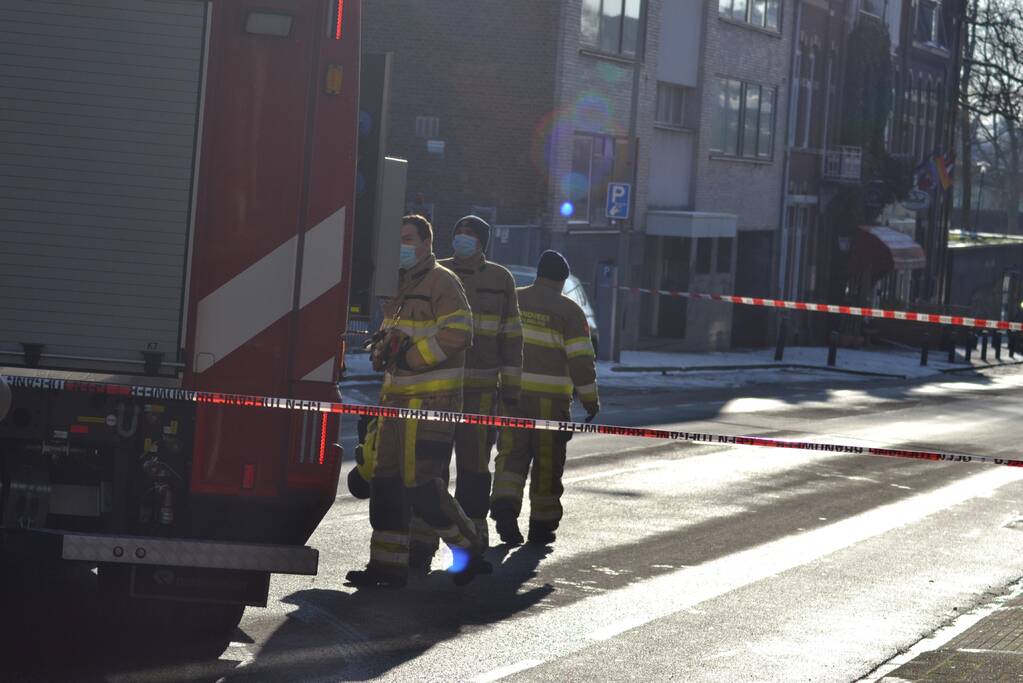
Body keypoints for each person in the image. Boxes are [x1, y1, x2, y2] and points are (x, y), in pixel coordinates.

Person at [346, 215, 489, 587]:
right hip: (396, 402)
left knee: (422, 484)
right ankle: (387, 566)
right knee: (386, 481)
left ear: (427, 243)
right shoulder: (401, 286)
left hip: (431, 403)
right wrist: (382, 350)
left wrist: (412, 356)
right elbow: (390, 337)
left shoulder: (443, 282)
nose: (402, 247)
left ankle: (468, 550)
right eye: (398, 240)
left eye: (408, 239)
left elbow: (459, 333)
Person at [405, 216, 521, 566]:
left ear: (483, 242)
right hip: (438, 389)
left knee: (474, 468)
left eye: (470, 234)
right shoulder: (437, 273)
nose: (462, 238)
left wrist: (511, 390)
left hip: (480, 392)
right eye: (458, 232)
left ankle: (474, 539)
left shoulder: (501, 280)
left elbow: (511, 337)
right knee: (430, 465)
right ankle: (422, 544)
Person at [489, 250, 599, 546]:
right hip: (551, 403)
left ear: (538, 273)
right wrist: (590, 401)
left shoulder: (514, 299)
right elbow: (581, 361)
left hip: (513, 395)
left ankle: (504, 507)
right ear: (562, 280)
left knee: (511, 454)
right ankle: (542, 525)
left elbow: (496, 343)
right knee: (548, 462)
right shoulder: (571, 311)